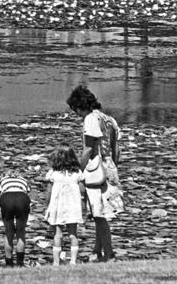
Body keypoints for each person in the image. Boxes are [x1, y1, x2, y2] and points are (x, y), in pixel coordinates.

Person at [66, 84, 122, 262]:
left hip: (96, 170)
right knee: (102, 212)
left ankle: (109, 253)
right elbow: (116, 149)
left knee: (98, 215)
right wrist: (112, 167)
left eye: (76, 110)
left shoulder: (90, 119)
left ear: (80, 106)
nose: (77, 114)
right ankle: (97, 251)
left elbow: (88, 149)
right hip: (110, 166)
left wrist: (77, 169)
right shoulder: (109, 119)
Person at [44, 145, 84, 266]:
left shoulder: (53, 173)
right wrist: (83, 203)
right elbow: (82, 190)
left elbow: (49, 192)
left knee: (58, 235)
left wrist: (47, 205)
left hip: (58, 206)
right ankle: (73, 261)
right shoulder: (77, 173)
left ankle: (56, 262)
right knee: (73, 234)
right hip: (73, 206)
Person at [0, 165, 31, 267]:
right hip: (22, 198)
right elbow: (27, 192)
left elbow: (0, 193)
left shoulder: (3, 180)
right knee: (21, 232)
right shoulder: (24, 180)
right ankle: (20, 264)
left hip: (7, 198)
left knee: (9, 232)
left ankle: (9, 264)